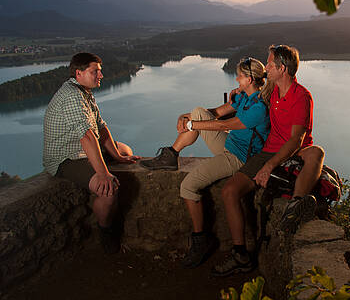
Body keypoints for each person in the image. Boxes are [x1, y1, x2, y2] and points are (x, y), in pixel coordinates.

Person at [141, 58, 271, 268]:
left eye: (239, 75)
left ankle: (201, 239)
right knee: (199, 110)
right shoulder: (243, 98)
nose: (236, 78)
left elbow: (225, 125)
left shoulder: (258, 107)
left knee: (188, 186)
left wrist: (192, 124)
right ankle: (172, 154)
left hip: (239, 158)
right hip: (230, 144)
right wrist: (188, 117)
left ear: (249, 79)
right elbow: (217, 113)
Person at [212, 45, 325, 277]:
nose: (266, 68)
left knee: (317, 152)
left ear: (282, 68)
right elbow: (253, 94)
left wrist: (270, 165)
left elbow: (296, 140)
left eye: (270, 64)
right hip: (268, 151)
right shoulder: (272, 89)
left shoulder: (301, 96)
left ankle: (296, 206)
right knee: (229, 192)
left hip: (294, 152)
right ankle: (240, 254)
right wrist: (239, 90)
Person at [43, 52, 140, 254]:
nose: (100, 75)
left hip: (82, 150)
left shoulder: (84, 91)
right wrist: (103, 173)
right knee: (108, 189)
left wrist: (118, 157)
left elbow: (101, 128)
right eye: (95, 71)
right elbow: (87, 136)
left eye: (100, 71)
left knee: (125, 150)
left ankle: (112, 162)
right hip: (66, 158)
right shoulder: (72, 96)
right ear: (79, 73)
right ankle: (105, 232)